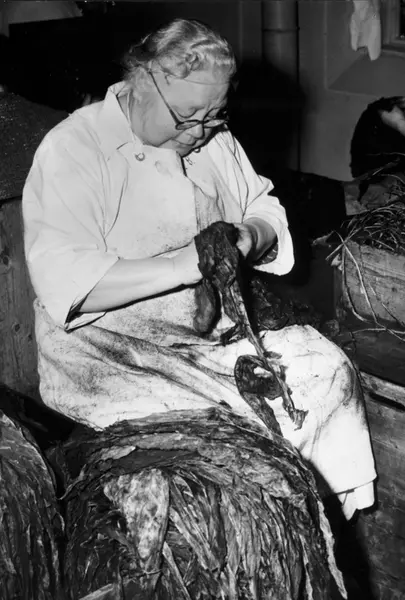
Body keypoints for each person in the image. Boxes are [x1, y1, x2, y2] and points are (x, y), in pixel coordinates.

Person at [22, 18, 376, 520]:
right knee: (245, 438)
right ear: (140, 81)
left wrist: (250, 235)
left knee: (329, 372)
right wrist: (182, 265)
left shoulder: (212, 137)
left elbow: (264, 206)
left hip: (204, 335)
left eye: (214, 115)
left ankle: (319, 526)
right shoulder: (75, 148)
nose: (199, 132)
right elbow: (67, 282)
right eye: (185, 116)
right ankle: (277, 523)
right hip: (105, 348)